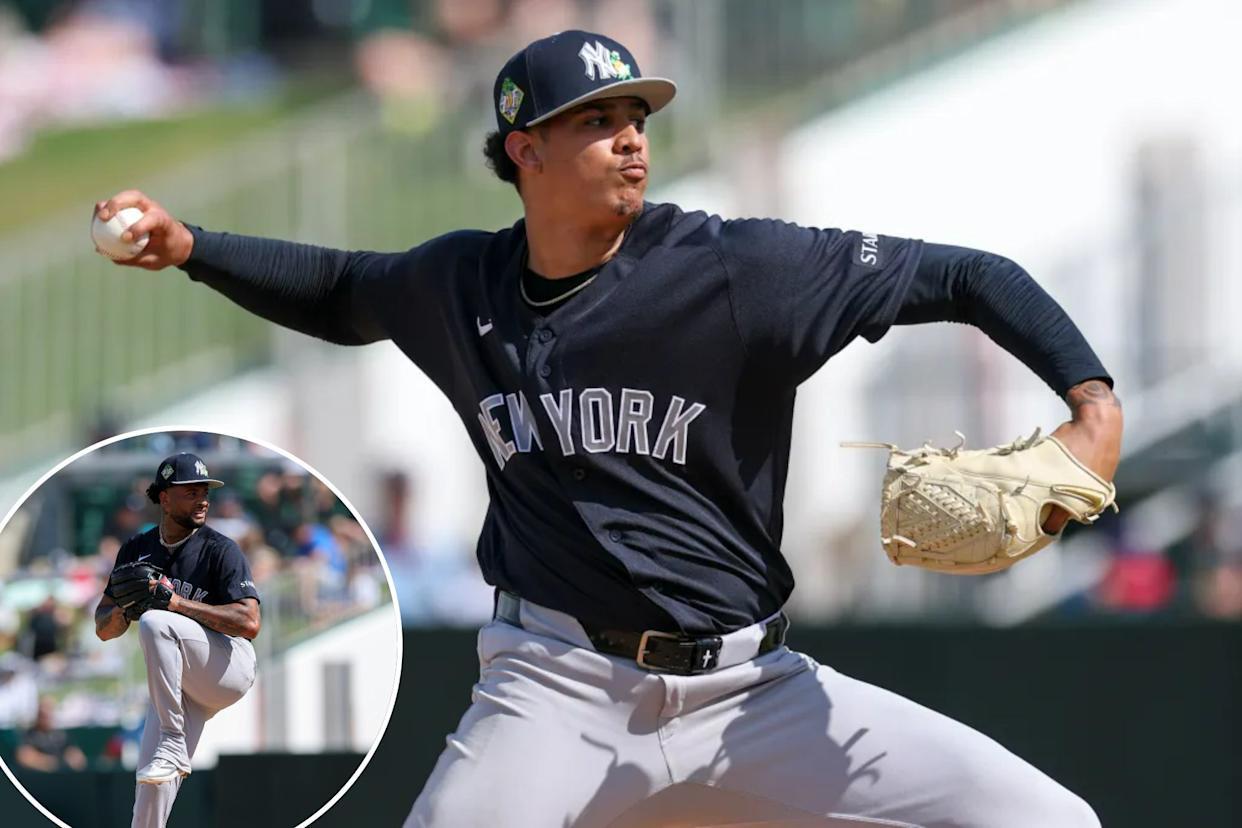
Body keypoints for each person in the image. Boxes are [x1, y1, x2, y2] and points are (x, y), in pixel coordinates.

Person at [94, 29, 1122, 828]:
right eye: (597, 119)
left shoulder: (733, 270)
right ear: (524, 150)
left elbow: (965, 274)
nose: (631, 135)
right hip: (556, 689)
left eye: (637, 113)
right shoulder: (462, 285)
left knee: (1048, 817)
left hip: (757, 689)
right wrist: (190, 246)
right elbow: (342, 290)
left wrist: (1093, 405)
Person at [94, 453, 261, 828]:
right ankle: (168, 751)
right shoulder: (135, 550)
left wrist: (176, 603)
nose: (202, 499)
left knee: (156, 622)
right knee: (151, 783)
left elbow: (250, 622)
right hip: (179, 684)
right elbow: (103, 629)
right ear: (164, 498)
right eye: (190, 491)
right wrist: (124, 608)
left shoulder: (221, 549)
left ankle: (172, 738)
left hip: (226, 664)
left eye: (205, 491)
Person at [15, 696, 87, 773]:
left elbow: (77, 756)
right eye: (42, 714)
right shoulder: (29, 735)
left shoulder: (60, 735)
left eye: (49, 712)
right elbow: (24, 756)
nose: (46, 717)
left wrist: (70, 761)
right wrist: (48, 763)